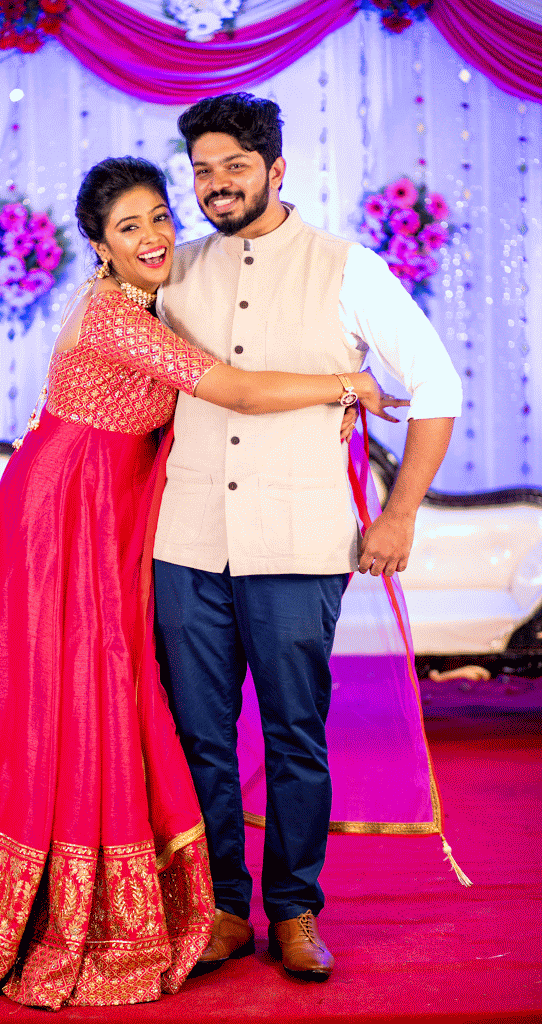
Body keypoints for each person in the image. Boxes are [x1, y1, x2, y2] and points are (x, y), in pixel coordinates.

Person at [0, 156, 405, 1009]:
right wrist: (348, 384)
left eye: (160, 216)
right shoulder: (114, 314)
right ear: (100, 246)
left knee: (122, 695)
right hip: (67, 514)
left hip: (123, 511)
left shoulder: (167, 297)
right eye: (129, 227)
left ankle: (244, 901)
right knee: (72, 697)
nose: (154, 235)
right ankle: (50, 899)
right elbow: (233, 389)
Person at [152, 94, 464, 980]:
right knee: (199, 736)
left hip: (300, 542)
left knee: (294, 733)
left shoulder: (346, 268)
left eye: (235, 167)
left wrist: (399, 513)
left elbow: (437, 385)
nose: (217, 185)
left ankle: (294, 911)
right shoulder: (172, 272)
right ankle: (221, 909)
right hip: (186, 541)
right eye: (203, 170)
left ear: (277, 169)